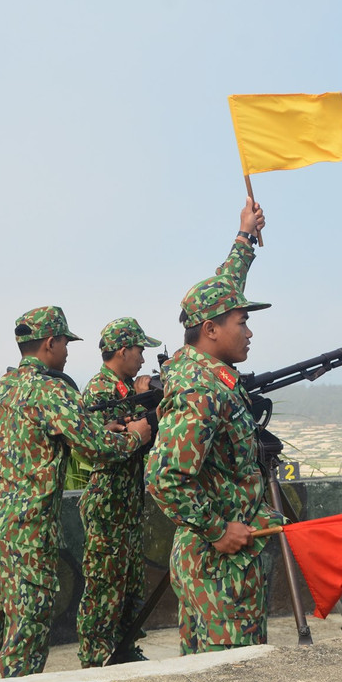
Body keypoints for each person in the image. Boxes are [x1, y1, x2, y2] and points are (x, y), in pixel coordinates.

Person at [0, 306, 128, 682]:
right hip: (23, 533)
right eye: (65, 343)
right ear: (51, 342)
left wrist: (95, 426)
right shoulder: (51, 387)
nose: (66, 352)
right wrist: (135, 436)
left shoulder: (6, 385)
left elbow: (43, 432)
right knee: (25, 633)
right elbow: (97, 448)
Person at [145, 198, 282, 655]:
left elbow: (223, 289)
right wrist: (219, 529)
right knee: (231, 677)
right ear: (210, 330)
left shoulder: (196, 362)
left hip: (217, 564)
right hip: (218, 568)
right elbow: (163, 477)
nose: (249, 331)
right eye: (242, 322)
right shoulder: (201, 391)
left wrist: (245, 236)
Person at [76, 317, 160, 667]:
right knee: (104, 584)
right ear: (123, 350)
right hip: (107, 499)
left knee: (129, 583)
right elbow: (103, 446)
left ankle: (124, 646)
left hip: (126, 502)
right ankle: (96, 656)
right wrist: (141, 409)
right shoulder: (100, 389)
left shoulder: (124, 387)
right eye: (140, 350)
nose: (143, 358)